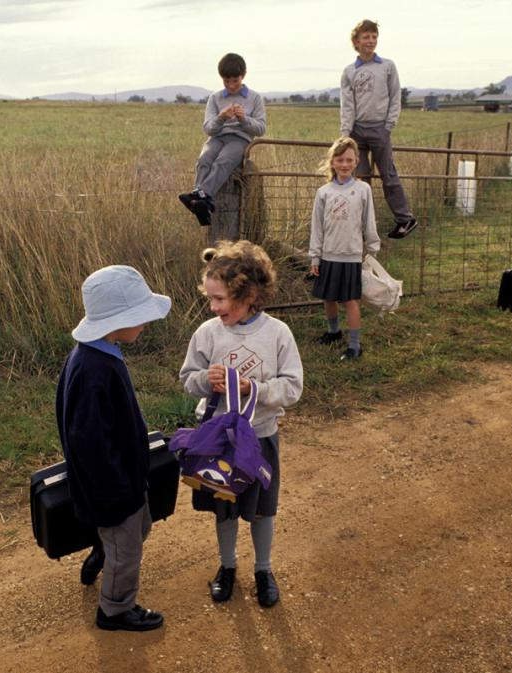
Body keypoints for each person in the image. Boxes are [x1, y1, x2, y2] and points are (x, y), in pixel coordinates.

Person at [179, 240, 303, 607]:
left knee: (263, 509)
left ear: (249, 294)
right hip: (218, 441)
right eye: (211, 299)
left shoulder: (278, 334)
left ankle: (263, 569)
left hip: (261, 437)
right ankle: (227, 566)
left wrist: (256, 388)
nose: (213, 307)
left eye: (220, 299)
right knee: (224, 506)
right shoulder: (207, 333)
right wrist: (206, 380)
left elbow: (293, 387)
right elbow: (188, 378)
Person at [56, 265, 172, 632]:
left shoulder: (101, 352)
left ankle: (105, 552)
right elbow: (88, 440)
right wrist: (117, 490)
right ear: (117, 321)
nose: (145, 324)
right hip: (113, 484)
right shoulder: (92, 369)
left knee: (138, 529)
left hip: (123, 476)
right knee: (128, 543)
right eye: (140, 317)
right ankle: (115, 609)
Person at [339, 19, 417, 239]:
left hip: (379, 129)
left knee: (388, 174)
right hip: (357, 132)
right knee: (361, 178)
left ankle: (405, 219)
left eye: (374, 37)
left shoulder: (387, 66)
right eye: (366, 37)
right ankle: (362, 224)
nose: (371, 41)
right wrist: (346, 135)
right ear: (356, 41)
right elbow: (347, 105)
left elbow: (395, 96)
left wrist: (389, 124)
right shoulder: (349, 72)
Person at [309, 137, 380, 361]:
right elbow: (317, 226)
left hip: (351, 255)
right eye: (340, 160)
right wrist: (315, 257)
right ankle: (334, 332)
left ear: (357, 161)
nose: (345, 164)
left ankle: (354, 345)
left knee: (350, 301)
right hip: (328, 254)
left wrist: (372, 248)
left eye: (349, 160)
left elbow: (369, 220)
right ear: (332, 162)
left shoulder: (362, 189)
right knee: (328, 298)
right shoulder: (324, 192)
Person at [179, 53, 267, 227]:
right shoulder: (215, 98)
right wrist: (221, 117)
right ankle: (204, 202)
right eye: (226, 81)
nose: (231, 85)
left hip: (240, 139)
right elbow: (208, 128)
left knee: (223, 160)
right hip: (217, 137)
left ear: (244, 75)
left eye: (235, 80)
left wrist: (244, 119)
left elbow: (261, 129)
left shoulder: (255, 98)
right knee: (204, 159)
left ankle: (200, 199)